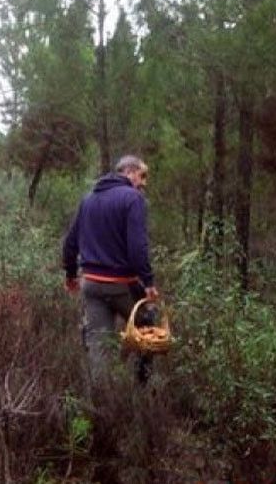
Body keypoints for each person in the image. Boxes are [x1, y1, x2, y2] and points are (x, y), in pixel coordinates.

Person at [62, 155, 159, 385]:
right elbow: (137, 248)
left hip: (91, 285)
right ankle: (143, 390)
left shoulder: (88, 199)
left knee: (98, 347)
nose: (144, 183)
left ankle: (100, 405)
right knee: (148, 330)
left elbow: (69, 243)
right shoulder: (133, 199)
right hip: (121, 284)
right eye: (142, 176)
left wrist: (70, 275)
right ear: (129, 172)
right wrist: (148, 282)